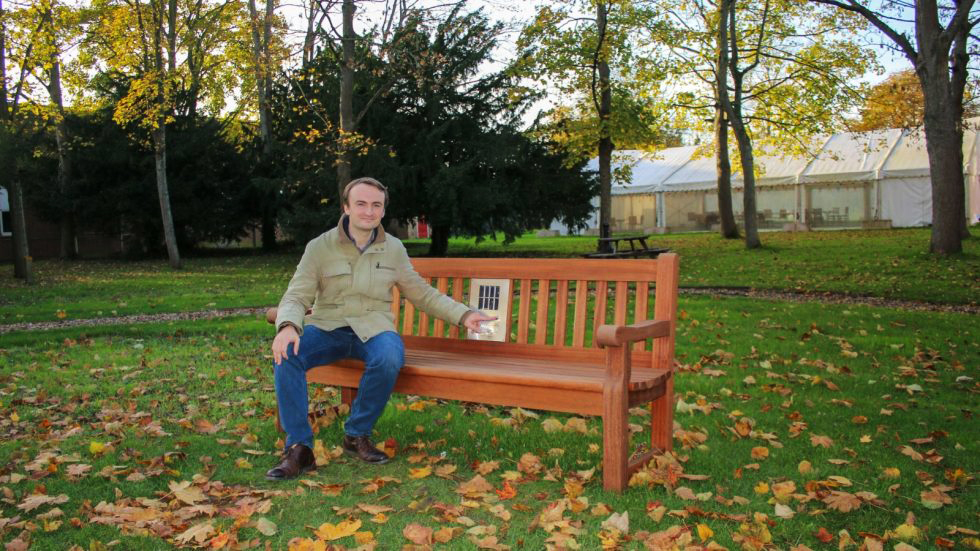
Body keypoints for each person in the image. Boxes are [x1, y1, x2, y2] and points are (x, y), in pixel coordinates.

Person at [266, 177, 495, 480]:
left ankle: (356, 434)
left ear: (383, 211)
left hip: (374, 329)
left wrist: (464, 314)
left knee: (388, 358)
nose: (368, 211)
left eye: (376, 205)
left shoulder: (394, 249)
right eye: (360, 203)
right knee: (288, 354)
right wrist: (287, 326)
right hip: (328, 327)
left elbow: (422, 293)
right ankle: (299, 448)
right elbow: (297, 294)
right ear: (346, 207)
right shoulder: (319, 247)